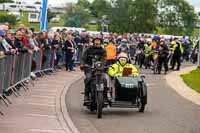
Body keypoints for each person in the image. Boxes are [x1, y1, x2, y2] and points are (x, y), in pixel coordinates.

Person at [80, 36, 107, 101]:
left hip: (99, 68)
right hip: (89, 67)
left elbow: (104, 59)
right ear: (93, 41)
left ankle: (105, 96)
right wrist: (82, 64)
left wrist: (103, 65)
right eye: (96, 40)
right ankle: (86, 95)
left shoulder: (103, 50)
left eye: (99, 40)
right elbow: (83, 58)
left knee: (104, 79)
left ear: (101, 42)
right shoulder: (88, 49)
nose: (97, 42)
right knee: (88, 78)